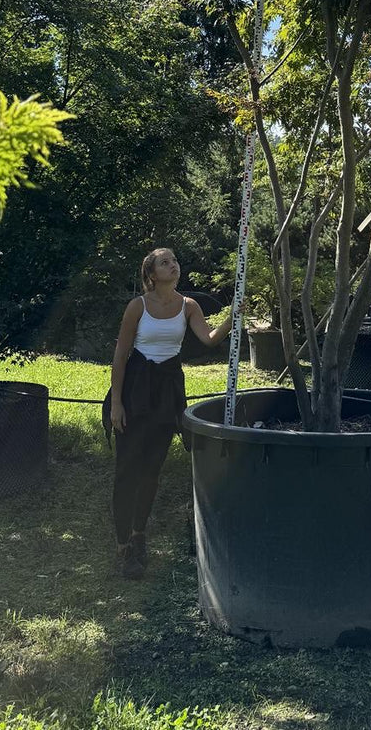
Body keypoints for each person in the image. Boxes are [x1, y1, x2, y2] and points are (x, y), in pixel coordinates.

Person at [105, 246, 231, 579]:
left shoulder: (189, 306)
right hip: (136, 388)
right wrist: (116, 403)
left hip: (167, 391)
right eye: (165, 262)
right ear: (151, 274)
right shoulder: (138, 307)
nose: (173, 266)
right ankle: (122, 547)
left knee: (151, 469)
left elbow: (209, 338)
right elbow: (120, 356)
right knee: (127, 470)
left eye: (174, 261)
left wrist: (234, 318)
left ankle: (139, 535)